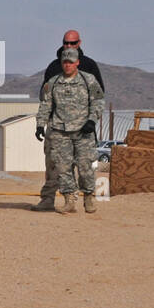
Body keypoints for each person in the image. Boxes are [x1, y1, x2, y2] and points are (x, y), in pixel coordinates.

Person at [32, 30, 105, 211]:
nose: (69, 46)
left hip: (83, 129)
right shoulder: (54, 73)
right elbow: (45, 100)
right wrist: (41, 124)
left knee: (85, 167)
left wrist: (92, 121)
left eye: (73, 43)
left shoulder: (89, 72)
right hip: (58, 128)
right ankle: (58, 200)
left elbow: (98, 99)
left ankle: (88, 197)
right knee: (58, 166)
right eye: (66, 43)